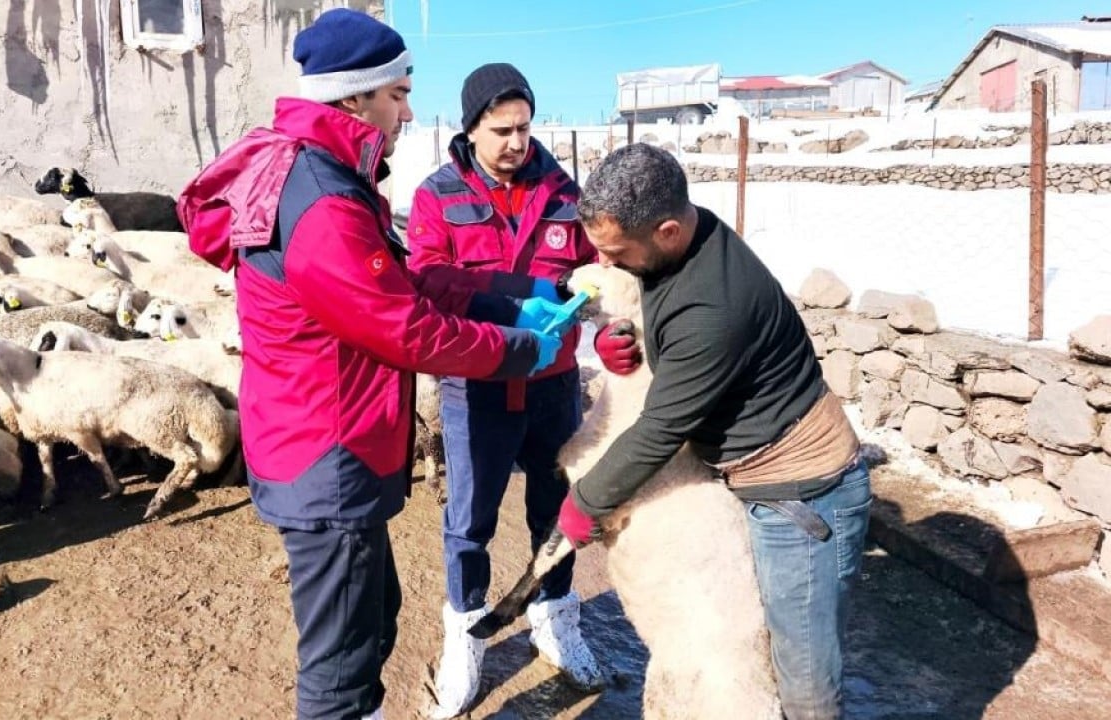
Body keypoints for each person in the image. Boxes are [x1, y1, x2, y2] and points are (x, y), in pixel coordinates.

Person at [177, 10, 572, 720]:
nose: (408, 110)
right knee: (341, 670)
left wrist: (515, 300)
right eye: (398, 93)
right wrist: (522, 349)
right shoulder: (325, 198)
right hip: (328, 453)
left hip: (319, 435)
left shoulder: (317, 173)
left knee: (374, 616)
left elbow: (393, 285)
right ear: (356, 97)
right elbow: (404, 328)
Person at [556, 143, 872, 720]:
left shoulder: (712, 308)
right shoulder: (688, 243)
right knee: (756, 650)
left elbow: (658, 431)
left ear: (668, 230)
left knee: (800, 679)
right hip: (767, 475)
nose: (607, 265)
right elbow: (668, 326)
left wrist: (587, 500)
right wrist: (638, 343)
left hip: (801, 497)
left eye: (616, 253)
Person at [407, 62, 624, 716]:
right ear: (471, 127)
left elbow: (598, 268)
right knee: (468, 521)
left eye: (525, 127)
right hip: (476, 383)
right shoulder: (436, 196)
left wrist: (595, 303)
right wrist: (520, 298)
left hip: (553, 384)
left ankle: (556, 621)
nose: (516, 142)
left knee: (557, 513)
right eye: (501, 129)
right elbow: (428, 279)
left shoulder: (563, 192)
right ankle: (467, 639)